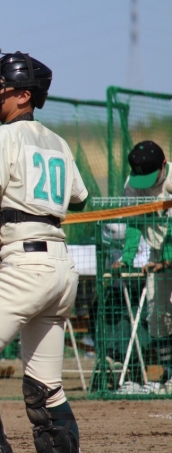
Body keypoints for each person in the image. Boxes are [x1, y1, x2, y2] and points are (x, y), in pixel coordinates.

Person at [0, 49, 88, 453]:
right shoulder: (58, 141)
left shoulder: (1, 135)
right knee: (46, 390)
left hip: (26, 266)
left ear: (24, 95)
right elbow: (81, 199)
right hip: (61, 268)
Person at [112, 140, 172, 394]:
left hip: (166, 254)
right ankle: (169, 373)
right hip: (159, 255)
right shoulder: (133, 185)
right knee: (157, 315)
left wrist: (167, 258)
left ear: (163, 165)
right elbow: (134, 223)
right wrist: (126, 258)